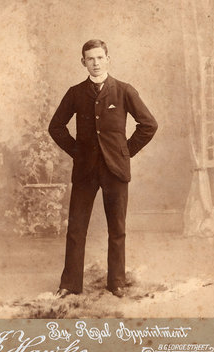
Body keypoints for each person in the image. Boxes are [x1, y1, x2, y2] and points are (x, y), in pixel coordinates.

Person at [48, 39, 158, 298]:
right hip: (85, 170)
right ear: (83, 62)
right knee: (76, 228)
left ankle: (116, 282)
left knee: (117, 228)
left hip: (116, 170)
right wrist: (76, 151)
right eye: (90, 58)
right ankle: (70, 284)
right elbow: (56, 127)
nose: (95, 63)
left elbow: (149, 125)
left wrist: (125, 152)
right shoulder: (75, 92)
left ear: (108, 58)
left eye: (100, 57)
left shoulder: (123, 90)